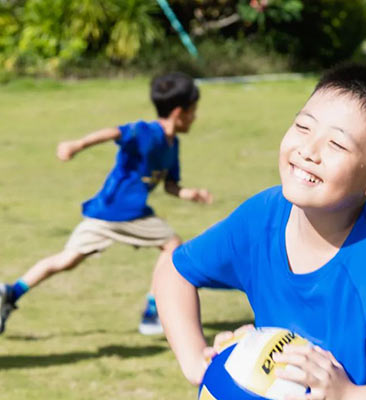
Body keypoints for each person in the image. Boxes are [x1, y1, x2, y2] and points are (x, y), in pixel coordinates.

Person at [154, 64, 366, 398]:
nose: (308, 151)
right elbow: (175, 269)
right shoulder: (263, 216)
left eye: (337, 145)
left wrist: (347, 395)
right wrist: (199, 362)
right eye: (303, 127)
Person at [0, 72, 212, 337]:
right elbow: (115, 132)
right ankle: (153, 309)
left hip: (105, 213)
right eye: (193, 111)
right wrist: (77, 144)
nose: (195, 117)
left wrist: (189, 193)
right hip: (122, 212)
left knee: (68, 259)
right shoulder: (147, 132)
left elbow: (170, 185)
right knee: (172, 245)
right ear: (179, 112)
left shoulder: (172, 144)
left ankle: (11, 292)